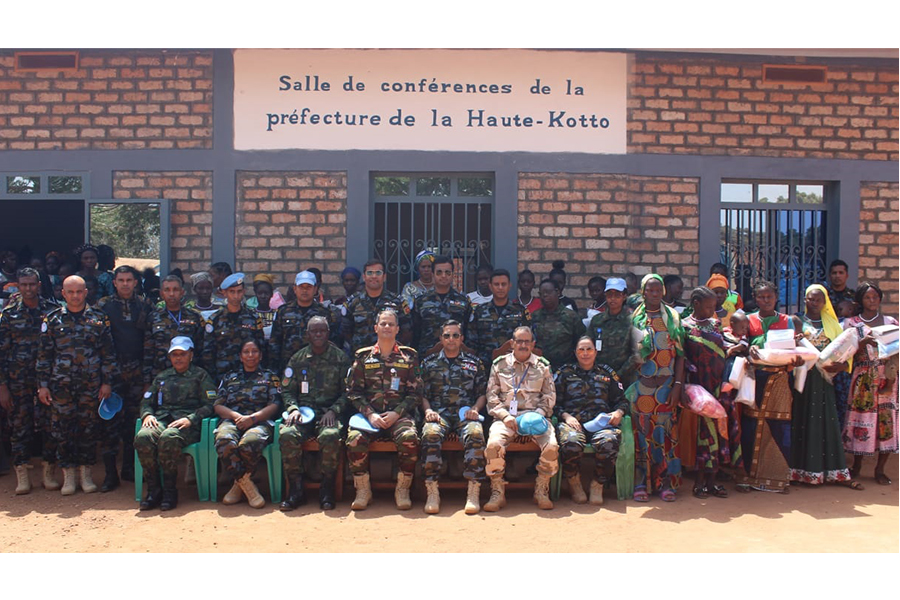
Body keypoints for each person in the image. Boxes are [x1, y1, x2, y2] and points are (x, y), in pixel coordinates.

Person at [36, 275, 115, 496]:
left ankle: (86, 474)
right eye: (70, 292)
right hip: (60, 386)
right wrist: (42, 386)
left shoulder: (99, 319)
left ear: (86, 292)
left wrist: (107, 382)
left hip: (91, 385)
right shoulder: (52, 320)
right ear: (63, 294)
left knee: (88, 429)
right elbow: (44, 356)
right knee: (62, 431)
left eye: (79, 291)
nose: (75, 296)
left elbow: (108, 355)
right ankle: (68, 475)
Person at [345, 308, 422, 510]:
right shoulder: (363, 358)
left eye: (391, 324)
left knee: (409, 438)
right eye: (383, 324)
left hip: (399, 415)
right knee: (354, 439)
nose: (387, 327)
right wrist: (370, 414)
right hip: (370, 416)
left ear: (397, 329)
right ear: (375, 328)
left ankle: (402, 488)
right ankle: (363, 489)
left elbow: (416, 394)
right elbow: (353, 392)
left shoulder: (408, 357)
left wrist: (398, 413)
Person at [791, 284, 863, 489]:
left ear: (825, 302)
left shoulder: (833, 324)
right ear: (805, 300)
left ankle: (831, 471)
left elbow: (846, 351)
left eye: (818, 300)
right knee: (803, 421)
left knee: (826, 422)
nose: (814, 303)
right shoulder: (797, 322)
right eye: (810, 299)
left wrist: (840, 366)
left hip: (826, 381)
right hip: (804, 380)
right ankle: (800, 471)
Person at [135, 336, 217, 511]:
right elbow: (146, 401)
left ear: (191, 355)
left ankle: (170, 491)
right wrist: (148, 415)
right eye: (174, 355)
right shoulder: (162, 377)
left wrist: (191, 418)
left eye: (182, 354)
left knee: (169, 437)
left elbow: (211, 404)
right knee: (143, 437)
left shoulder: (201, 376)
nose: (178, 358)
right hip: (162, 419)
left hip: (188, 424)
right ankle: (154, 489)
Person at [278, 316, 350, 511]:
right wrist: (292, 408)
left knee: (330, 435)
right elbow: (286, 390)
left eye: (322, 331)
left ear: (328, 333)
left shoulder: (340, 358)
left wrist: (334, 411)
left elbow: (349, 392)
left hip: (329, 413)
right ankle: (296, 489)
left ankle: (327, 489)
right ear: (307, 334)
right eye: (314, 331)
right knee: (286, 434)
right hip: (303, 412)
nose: (318, 334)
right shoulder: (298, 359)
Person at [739, 280, 803, 494]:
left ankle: (776, 478)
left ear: (776, 298)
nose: (765, 300)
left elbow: (797, 350)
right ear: (755, 298)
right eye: (761, 297)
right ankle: (748, 476)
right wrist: (749, 352)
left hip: (780, 380)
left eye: (769, 297)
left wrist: (797, 360)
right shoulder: (748, 321)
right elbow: (739, 346)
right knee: (750, 426)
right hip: (755, 379)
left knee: (779, 426)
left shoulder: (788, 321)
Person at [485, 326, 558, 511]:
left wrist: (538, 416)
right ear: (512, 343)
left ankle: (541, 489)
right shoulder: (499, 365)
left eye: (527, 341)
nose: (523, 345)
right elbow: (491, 397)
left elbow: (549, 396)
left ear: (533, 344)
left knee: (551, 446)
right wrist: (505, 416)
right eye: (519, 341)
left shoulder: (543, 366)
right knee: (493, 445)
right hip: (506, 418)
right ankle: (497, 491)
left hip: (535, 416)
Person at [0, 268, 59, 494]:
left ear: (39, 285)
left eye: (32, 284)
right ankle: (22, 475)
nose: (28, 289)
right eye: (23, 285)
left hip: (48, 380)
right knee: (19, 426)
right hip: (18, 380)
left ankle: (48, 473)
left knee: (50, 425)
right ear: (18, 285)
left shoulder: (52, 312)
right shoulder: (9, 315)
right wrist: (2, 386)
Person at [419, 320, 488, 514]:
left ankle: (473, 491)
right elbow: (422, 394)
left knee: (475, 433)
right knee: (430, 434)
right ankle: (432, 490)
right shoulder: (429, 363)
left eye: (455, 335)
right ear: (441, 339)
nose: (451, 339)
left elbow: (483, 393)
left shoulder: (474, 363)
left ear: (462, 338)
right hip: (438, 414)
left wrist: (475, 409)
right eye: (447, 335)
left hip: (465, 413)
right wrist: (427, 411)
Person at [95, 266, 154, 491]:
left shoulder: (145, 305)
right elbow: (101, 344)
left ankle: (129, 467)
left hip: (138, 373)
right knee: (109, 422)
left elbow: (149, 342)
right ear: (115, 283)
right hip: (113, 373)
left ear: (136, 282)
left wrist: (147, 377)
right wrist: (106, 378)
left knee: (133, 423)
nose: (126, 284)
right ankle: (111, 474)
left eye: (130, 280)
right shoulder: (103, 306)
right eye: (121, 280)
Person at [630, 273, 685, 502]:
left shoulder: (671, 318)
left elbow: (681, 356)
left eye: (657, 290)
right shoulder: (634, 319)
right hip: (642, 387)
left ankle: (665, 483)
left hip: (666, 387)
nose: (654, 294)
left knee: (665, 436)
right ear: (643, 293)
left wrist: (677, 387)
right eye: (649, 290)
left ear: (663, 292)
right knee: (642, 436)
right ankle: (642, 481)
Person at [554, 337, 628, 505]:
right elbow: (553, 403)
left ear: (595, 351)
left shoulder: (606, 372)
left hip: (601, 424)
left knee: (610, 441)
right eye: (581, 350)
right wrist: (566, 416)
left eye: (589, 349)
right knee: (571, 442)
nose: (585, 353)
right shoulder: (564, 373)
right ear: (575, 353)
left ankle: (598, 484)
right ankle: (574, 482)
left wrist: (618, 412)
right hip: (573, 423)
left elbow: (622, 401)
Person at [213, 339, 283, 509]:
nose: (250, 355)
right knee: (224, 440)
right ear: (240, 356)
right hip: (233, 420)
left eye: (254, 351)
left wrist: (252, 418)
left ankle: (238, 486)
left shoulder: (270, 377)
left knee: (250, 443)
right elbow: (217, 405)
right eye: (246, 352)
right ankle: (247, 485)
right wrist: (236, 416)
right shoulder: (230, 377)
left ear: (260, 355)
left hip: (260, 421)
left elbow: (275, 405)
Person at [843, 282, 899, 485]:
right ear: (860, 301)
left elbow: (896, 354)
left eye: (875, 296)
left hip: (886, 377)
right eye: (868, 297)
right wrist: (861, 344)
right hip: (863, 378)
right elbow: (845, 353)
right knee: (860, 420)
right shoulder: (852, 324)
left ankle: (880, 469)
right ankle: (856, 465)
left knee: (886, 422)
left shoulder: (890, 322)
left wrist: (891, 379)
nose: (872, 300)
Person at [681, 286, 731, 498]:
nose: (713, 310)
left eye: (715, 306)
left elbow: (726, 346)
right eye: (709, 306)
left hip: (718, 386)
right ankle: (699, 481)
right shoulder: (684, 327)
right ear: (696, 304)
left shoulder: (715, 325)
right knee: (703, 434)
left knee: (718, 433)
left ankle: (713, 480)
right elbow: (681, 359)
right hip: (699, 390)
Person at [200, 273, 266, 383]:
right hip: (222, 376)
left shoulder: (253, 318)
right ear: (224, 293)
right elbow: (208, 353)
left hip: (249, 377)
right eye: (232, 292)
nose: (236, 296)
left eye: (239, 291)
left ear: (244, 292)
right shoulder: (215, 320)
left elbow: (261, 348)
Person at [143, 275, 205, 388]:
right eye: (167, 290)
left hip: (189, 376)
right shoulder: (153, 317)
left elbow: (201, 348)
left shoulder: (194, 317)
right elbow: (148, 351)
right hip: (161, 374)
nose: (171, 294)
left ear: (182, 292)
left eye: (175, 290)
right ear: (161, 294)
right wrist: (147, 381)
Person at [340, 258, 411, 354]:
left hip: (390, 358)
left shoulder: (397, 302)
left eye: (378, 273)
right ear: (364, 277)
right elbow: (346, 331)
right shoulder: (353, 303)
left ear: (384, 277)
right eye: (370, 273)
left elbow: (406, 331)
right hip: (362, 359)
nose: (374, 276)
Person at [270, 271, 335, 373]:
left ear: (315, 289)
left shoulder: (324, 313)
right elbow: (275, 342)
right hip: (289, 368)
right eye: (301, 287)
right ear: (295, 289)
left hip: (317, 368)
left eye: (308, 287)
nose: (304, 290)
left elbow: (331, 342)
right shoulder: (283, 311)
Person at [468, 268, 532, 371]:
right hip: (485, 367)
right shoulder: (479, 311)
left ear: (509, 286)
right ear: (490, 286)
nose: (500, 288)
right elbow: (472, 342)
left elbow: (530, 338)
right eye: (496, 284)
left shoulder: (520, 311)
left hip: (513, 367)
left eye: (504, 284)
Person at [412, 255, 472, 355]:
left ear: (453, 274)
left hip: (457, 358)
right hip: (427, 357)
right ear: (432, 274)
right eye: (439, 272)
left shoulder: (463, 301)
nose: (443, 276)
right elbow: (415, 332)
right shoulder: (421, 301)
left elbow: (469, 331)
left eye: (447, 272)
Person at [588, 278, 639, 387]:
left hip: (625, 380)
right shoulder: (597, 320)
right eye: (609, 295)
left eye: (617, 295)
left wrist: (617, 376)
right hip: (599, 378)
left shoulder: (632, 321)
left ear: (624, 296)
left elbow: (636, 354)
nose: (613, 299)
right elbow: (588, 346)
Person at [531, 278, 586, 371]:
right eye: (542, 294)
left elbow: (581, 341)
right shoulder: (535, 316)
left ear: (557, 292)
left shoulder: (571, 317)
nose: (545, 296)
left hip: (565, 368)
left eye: (548, 292)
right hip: (539, 368)